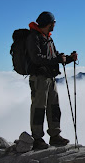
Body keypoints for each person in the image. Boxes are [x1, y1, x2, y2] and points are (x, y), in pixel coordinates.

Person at [26, 11, 78, 150]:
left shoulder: (47, 38)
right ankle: (37, 139)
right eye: (53, 22)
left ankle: (55, 136)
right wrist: (57, 59)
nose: (54, 25)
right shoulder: (34, 37)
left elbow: (54, 57)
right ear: (49, 23)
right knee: (38, 108)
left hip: (49, 77)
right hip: (39, 78)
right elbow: (36, 58)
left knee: (54, 107)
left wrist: (69, 58)